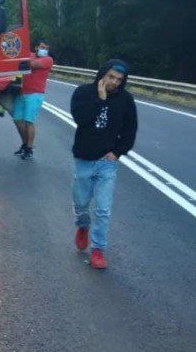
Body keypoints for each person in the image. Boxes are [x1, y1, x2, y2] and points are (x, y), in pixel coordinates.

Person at [70, 59, 137, 270]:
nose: (115, 82)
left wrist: (118, 152)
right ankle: (83, 226)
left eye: (119, 79)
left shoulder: (126, 100)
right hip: (84, 159)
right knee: (81, 203)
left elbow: (130, 129)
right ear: (102, 75)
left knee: (103, 209)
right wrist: (100, 99)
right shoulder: (83, 92)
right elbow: (81, 119)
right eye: (111, 77)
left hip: (107, 163)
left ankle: (98, 249)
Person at [13, 41, 53, 160]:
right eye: (42, 47)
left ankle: (29, 149)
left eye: (46, 48)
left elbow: (31, 65)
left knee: (29, 121)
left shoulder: (48, 59)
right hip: (21, 92)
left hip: (35, 94)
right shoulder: (29, 55)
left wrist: (20, 61)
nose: (44, 49)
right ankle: (25, 145)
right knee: (17, 120)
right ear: (36, 47)